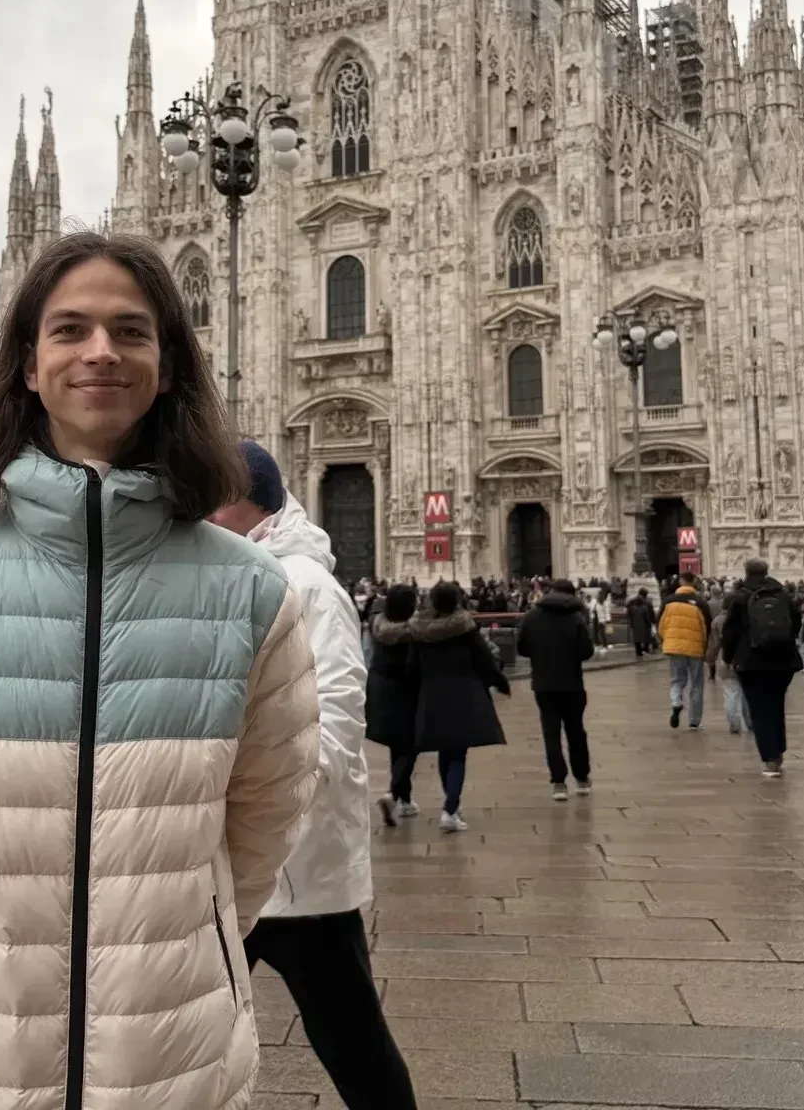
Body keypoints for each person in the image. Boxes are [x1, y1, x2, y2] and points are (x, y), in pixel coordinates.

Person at [0, 231, 321, 1110]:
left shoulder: (251, 592)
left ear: (169, 364)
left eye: (131, 330)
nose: (101, 351)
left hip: (174, 1059)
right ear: (26, 364)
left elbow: (266, 809)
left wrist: (186, 939)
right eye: (70, 328)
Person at [209, 441, 417, 1110]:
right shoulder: (234, 573)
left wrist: (267, 798)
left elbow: (335, 722)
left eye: (210, 499)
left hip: (295, 863)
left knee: (351, 1037)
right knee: (184, 1035)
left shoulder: (307, 586)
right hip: (235, 859)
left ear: (247, 504)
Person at [408, 581, 510, 832]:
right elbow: (484, 659)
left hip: (433, 694)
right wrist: (499, 681)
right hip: (463, 693)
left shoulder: (420, 630)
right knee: (457, 754)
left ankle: (451, 804)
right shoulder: (465, 628)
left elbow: (412, 667)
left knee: (445, 751)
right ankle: (450, 809)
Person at [721, 557, 802, 776]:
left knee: (759, 709)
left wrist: (728, 658)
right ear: (767, 571)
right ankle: (779, 750)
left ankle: (770, 759)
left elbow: (730, 632)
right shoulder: (782, 594)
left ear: (746, 571)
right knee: (776, 705)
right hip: (784, 659)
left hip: (751, 661)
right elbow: (795, 624)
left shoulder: (739, 597)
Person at [517, 578, 594, 801]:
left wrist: (541, 655)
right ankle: (581, 778)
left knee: (551, 732)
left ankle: (559, 783)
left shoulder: (531, 616)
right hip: (572, 683)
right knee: (576, 731)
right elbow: (587, 651)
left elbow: (522, 648)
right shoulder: (576, 617)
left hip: (543, 684)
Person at [367, 583, 422, 823]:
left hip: (380, 689)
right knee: (410, 744)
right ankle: (393, 794)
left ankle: (406, 800)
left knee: (396, 744)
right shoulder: (414, 632)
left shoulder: (377, 626)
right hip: (406, 689)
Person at [658, 571, 713, 729]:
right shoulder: (700, 602)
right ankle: (694, 721)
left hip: (674, 646)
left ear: (681, 582)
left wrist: (665, 641)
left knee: (677, 680)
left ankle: (676, 702)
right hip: (695, 648)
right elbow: (707, 627)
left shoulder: (668, 601)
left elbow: (660, 625)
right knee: (696, 684)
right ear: (693, 582)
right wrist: (705, 647)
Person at [707, 592, 751, 734]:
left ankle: (734, 723)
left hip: (725, 660)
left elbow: (715, 644)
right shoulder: (748, 618)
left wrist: (710, 658)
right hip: (746, 660)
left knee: (731, 692)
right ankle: (750, 723)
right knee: (747, 693)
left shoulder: (717, 621)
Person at [626, 586, 656, 659]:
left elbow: (628, 608)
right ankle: (645, 650)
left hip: (635, 622)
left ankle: (639, 653)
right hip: (645, 623)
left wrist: (630, 619)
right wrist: (653, 622)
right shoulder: (647, 603)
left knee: (637, 638)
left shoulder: (632, 602)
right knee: (646, 637)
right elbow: (651, 614)